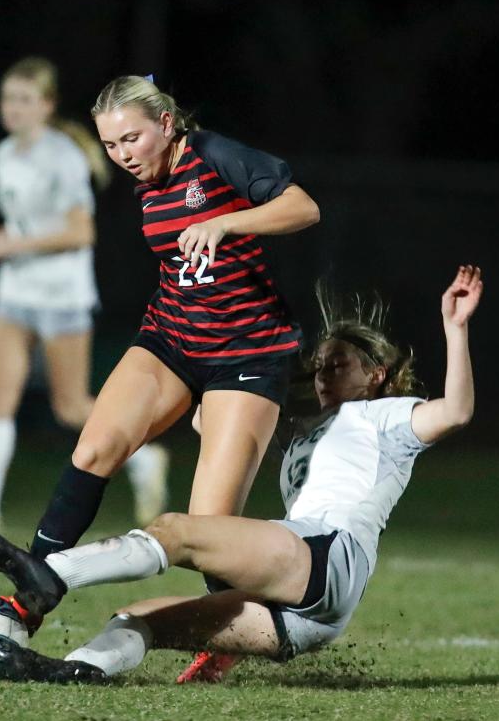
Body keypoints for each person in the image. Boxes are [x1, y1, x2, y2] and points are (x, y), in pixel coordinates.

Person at [0, 265, 484, 684]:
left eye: (339, 365)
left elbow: (457, 411)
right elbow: (206, 419)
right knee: (138, 617)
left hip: (328, 554)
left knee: (176, 530)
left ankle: (51, 575)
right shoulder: (304, 433)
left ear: (375, 374)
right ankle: (72, 670)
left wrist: (455, 330)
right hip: (311, 611)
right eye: (320, 366)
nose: (323, 375)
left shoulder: (388, 417)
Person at [22, 74, 321, 570]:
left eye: (131, 138)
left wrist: (224, 221)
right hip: (171, 339)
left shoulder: (211, 153)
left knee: (207, 532)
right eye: (110, 145)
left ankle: (245, 629)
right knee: (95, 449)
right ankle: (31, 587)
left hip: (246, 352)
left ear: (165, 122)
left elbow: (303, 207)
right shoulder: (148, 183)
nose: (123, 155)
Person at [0, 58, 169, 529]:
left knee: (71, 406)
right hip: (15, 291)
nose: (12, 109)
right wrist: (0, 238)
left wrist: (10, 243)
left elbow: (81, 233)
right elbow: (30, 225)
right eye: (7, 99)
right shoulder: (3, 155)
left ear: (47, 105)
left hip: (62, 296)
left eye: (24, 100)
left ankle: (143, 459)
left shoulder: (63, 156)